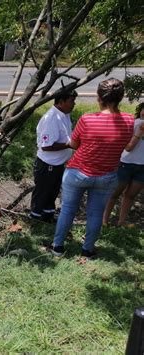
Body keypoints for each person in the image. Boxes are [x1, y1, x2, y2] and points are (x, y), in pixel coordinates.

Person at [51, 78, 134, 258]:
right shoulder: (129, 121)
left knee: (67, 210)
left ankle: (57, 247)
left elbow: (73, 144)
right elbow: (125, 143)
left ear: (98, 97)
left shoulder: (87, 119)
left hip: (77, 172)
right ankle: (87, 250)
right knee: (96, 213)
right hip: (107, 175)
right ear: (120, 98)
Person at [30, 90, 77, 223]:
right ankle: (35, 219)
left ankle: (48, 216)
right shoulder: (51, 119)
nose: (74, 104)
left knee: (53, 191)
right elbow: (46, 146)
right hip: (47, 163)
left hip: (58, 163)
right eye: (71, 101)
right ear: (61, 102)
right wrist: (69, 145)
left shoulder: (65, 114)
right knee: (43, 192)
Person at [103, 102, 144, 226]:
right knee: (114, 193)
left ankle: (122, 222)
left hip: (142, 167)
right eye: (143, 109)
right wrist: (140, 132)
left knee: (130, 195)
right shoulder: (133, 124)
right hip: (125, 163)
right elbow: (128, 148)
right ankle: (104, 220)